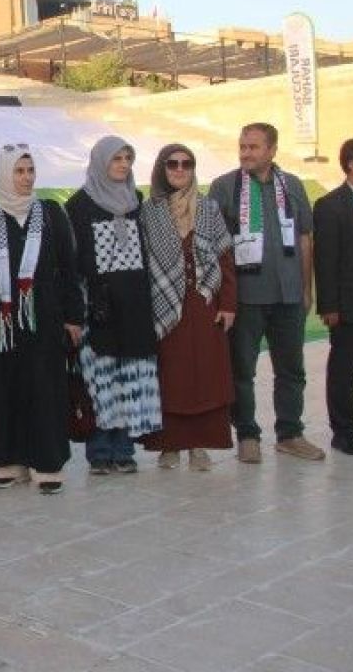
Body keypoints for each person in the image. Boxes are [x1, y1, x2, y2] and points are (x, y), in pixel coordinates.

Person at [208, 123, 323, 463]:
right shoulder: (224, 186)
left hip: (288, 295)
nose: (245, 153)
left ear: (272, 150)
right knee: (242, 370)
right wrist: (223, 298)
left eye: (253, 147)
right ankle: (247, 435)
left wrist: (306, 289)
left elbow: (305, 238)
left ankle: (290, 434)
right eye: (242, 146)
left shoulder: (293, 185)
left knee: (291, 370)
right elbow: (214, 246)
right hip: (246, 297)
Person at [0, 145, 82, 493]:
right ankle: (10, 460)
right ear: (5, 174)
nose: (26, 178)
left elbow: (69, 267)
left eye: (30, 170)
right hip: (4, 323)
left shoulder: (50, 213)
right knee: (5, 387)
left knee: (45, 388)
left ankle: (47, 462)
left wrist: (74, 317)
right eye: (18, 171)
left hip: (45, 319)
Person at [66, 136, 161, 474]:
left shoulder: (137, 201)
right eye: (116, 159)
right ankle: (100, 452)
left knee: (129, 378)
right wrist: (76, 311)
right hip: (98, 311)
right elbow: (71, 263)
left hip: (134, 307)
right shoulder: (78, 205)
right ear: (100, 162)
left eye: (127, 159)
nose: (123, 165)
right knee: (100, 381)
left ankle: (124, 450)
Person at [139, 144, 237, 471]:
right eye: (173, 164)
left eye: (187, 164)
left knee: (206, 376)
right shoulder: (149, 211)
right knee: (171, 377)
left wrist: (228, 305)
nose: (180, 169)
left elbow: (225, 258)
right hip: (164, 306)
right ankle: (169, 446)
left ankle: (199, 446)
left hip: (204, 304)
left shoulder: (208, 207)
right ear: (162, 169)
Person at [314, 136, 353, 455]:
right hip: (352, 307)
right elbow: (325, 260)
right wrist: (329, 306)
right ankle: (344, 432)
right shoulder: (331, 206)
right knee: (344, 375)